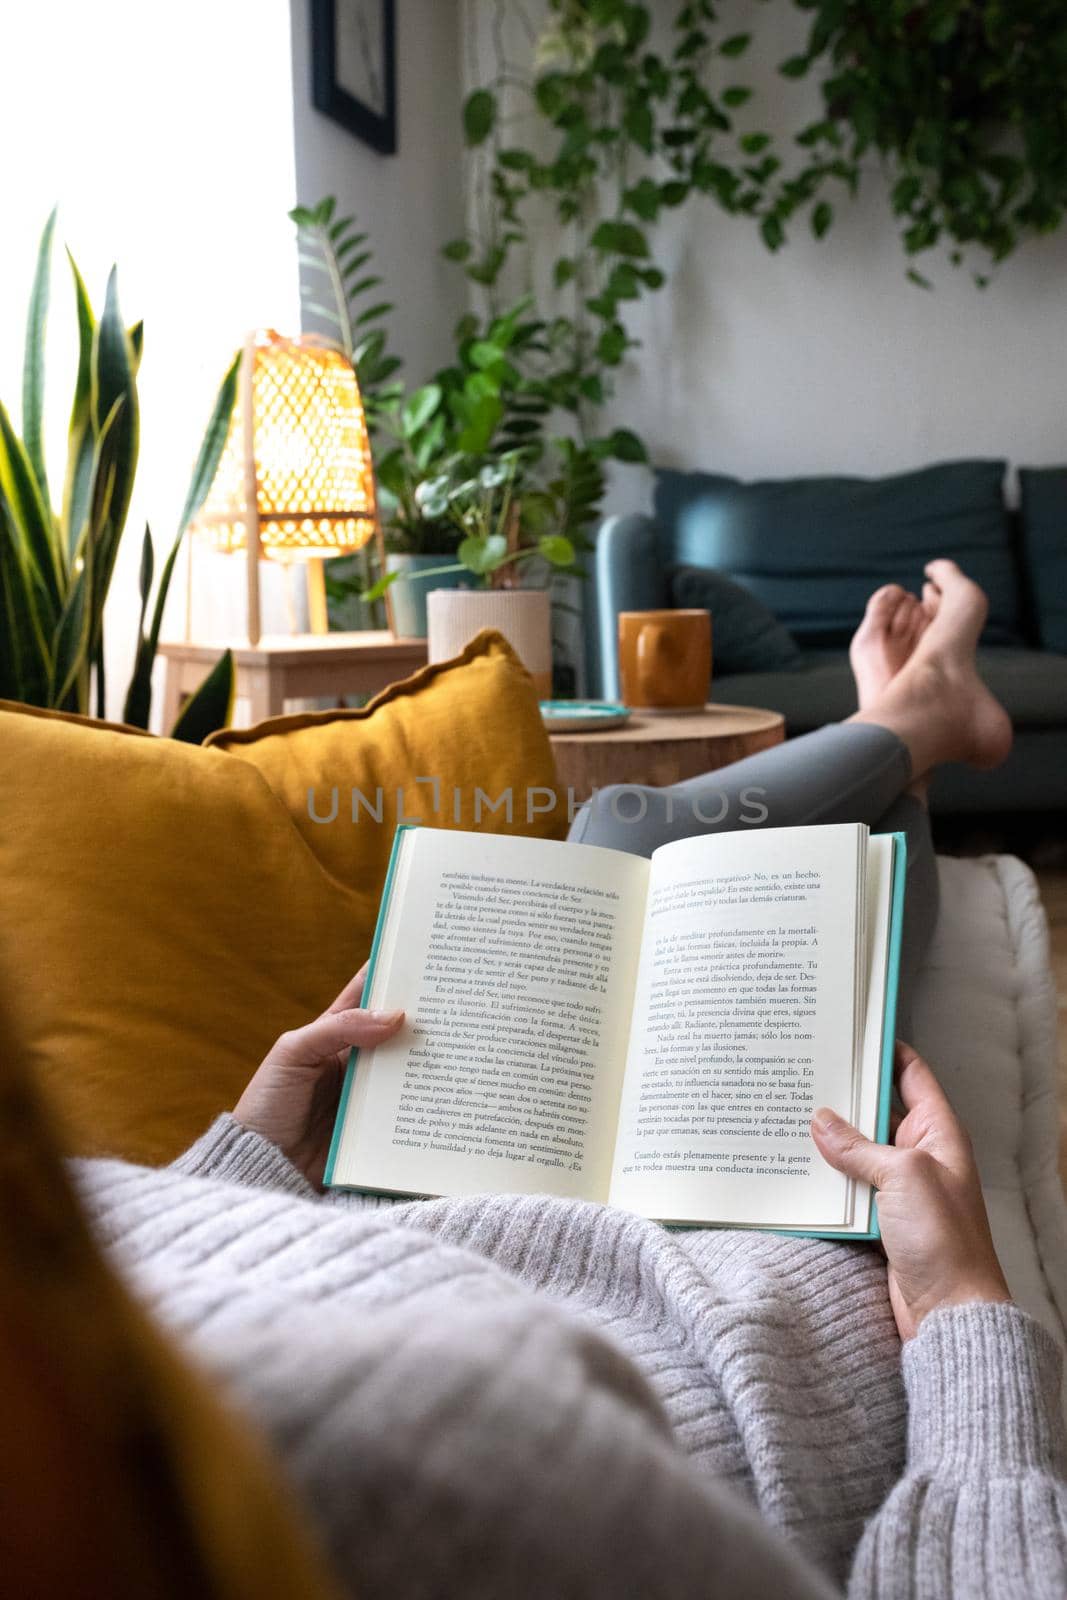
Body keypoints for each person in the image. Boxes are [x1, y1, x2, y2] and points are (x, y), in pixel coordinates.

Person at [74, 560, 1066, 1600]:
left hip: (429, 1199)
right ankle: (912, 723)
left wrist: (252, 1163)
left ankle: (911, 728)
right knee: (644, 839)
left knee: (623, 842)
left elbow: (122, 1275)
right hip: (745, 1314)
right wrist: (961, 1305)